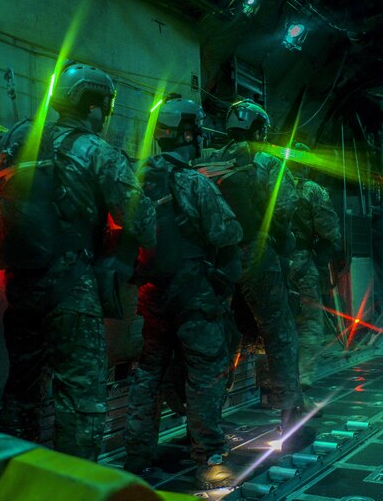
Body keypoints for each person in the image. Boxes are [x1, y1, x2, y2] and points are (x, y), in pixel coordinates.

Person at [0, 62, 157, 461]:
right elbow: (145, 224)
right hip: (71, 288)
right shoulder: (97, 151)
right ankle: (77, 486)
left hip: (20, 284)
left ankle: (15, 475)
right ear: (92, 105)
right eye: (104, 105)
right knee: (81, 397)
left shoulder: (24, 139)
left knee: (22, 390)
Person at [123, 96, 242, 489]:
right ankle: (209, 458)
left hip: (152, 293)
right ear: (189, 134)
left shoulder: (136, 178)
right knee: (205, 374)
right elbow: (227, 232)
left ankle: (137, 455)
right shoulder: (194, 182)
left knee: (149, 372)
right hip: (193, 295)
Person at [194, 100, 307, 433]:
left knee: (222, 340)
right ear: (259, 129)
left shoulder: (207, 160)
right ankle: (289, 415)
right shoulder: (266, 161)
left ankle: (207, 420)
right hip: (254, 254)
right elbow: (285, 207)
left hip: (212, 261)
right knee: (279, 331)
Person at [284, 143, 344, 389]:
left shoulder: (269, 189)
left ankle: (280, 378)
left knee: (279, 322)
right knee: (309, 322)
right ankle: (303, 378)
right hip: (301, 263)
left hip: (270, 264)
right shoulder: (311, 190)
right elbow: (329, 229)